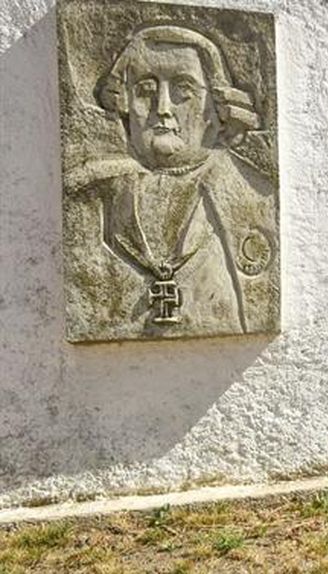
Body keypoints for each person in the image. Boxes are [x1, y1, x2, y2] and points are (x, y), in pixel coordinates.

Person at [65, 25, 277, 340]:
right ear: (123, 103)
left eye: (183, 90)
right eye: (145, 90)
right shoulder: (89, 198)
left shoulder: (256, 195)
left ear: (218, 107)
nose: (162, 109)